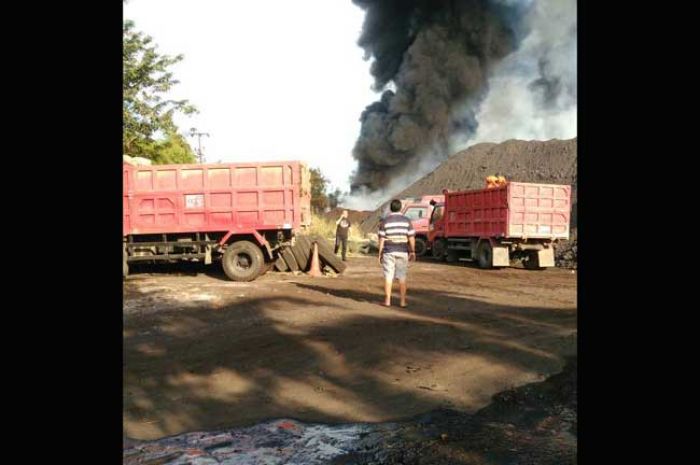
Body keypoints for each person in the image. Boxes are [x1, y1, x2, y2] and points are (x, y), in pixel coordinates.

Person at [377, 199, 416, 307]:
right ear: (400, 208)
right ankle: (403, 302)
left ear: (391, 208)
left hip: (388, 251)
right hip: (403, 251)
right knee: (402, 277)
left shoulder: (385, 221)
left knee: (388, 276)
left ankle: (387, 301)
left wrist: (380, 253)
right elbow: (411, 237)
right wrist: (412, 251)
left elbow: (381, 239)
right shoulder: (407, 221)